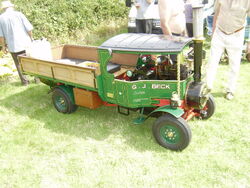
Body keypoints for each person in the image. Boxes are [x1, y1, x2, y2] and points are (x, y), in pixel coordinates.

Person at [206, 0, 250, 100]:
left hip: (237, 34)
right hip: (219, 32)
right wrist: (213, 33)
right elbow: (216, 14)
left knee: (234, 65)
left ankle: (230, 90)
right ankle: (207, 87)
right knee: (212, 62)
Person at [0, 1, 33, 85]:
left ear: (3, 9)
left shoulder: (1, 18)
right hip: (26, 43)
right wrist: (31, 38)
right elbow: (29, 28)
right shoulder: (19, 14)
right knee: (32, 60)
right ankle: (37, 79)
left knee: (18, 64)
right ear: (11, 7)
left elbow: (1, 36)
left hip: (13, 46)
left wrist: (3, 46)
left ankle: (25, 82)